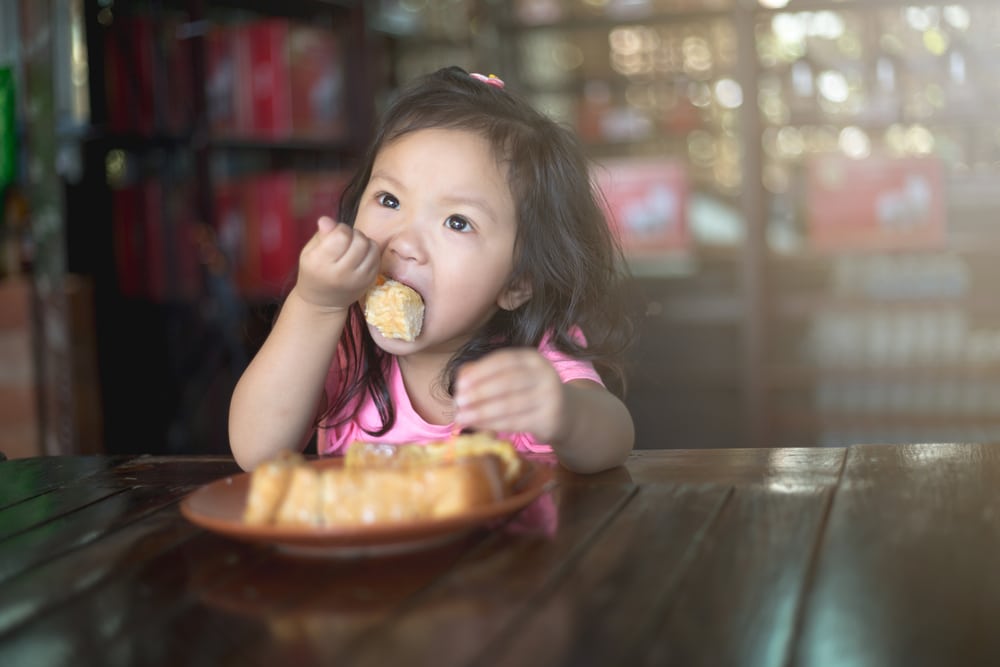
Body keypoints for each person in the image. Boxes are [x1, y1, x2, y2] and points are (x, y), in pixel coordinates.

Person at [229, 66, 635, 474]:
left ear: (518, 282)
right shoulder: (342, 342)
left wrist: (563, 413)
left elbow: (613, 440)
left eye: (457, 222)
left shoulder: (531, 357)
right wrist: (315, 304)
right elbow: (256, 451)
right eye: (389, 200)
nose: (404, 243)